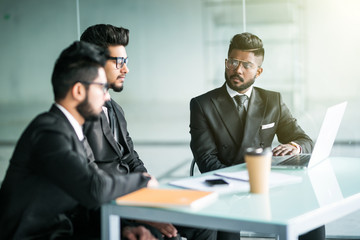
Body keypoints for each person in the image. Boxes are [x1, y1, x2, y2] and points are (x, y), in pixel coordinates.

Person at [0, 41, 158, 240]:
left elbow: (87, 197)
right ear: (78, 91)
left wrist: (123, 229)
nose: (106, 97)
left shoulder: (72, 131)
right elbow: (94, 189)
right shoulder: (48, 132)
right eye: (101, 87)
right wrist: (144, 181)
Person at [80, 24, 216, 240]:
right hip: (114, 210)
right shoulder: (79, 118)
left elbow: (131, 158)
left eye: (126, 62)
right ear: (94, 63)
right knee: (162, 234)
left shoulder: (115, 109)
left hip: (135, 202)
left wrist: (153, 196)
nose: (126, 69)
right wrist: (136, 217)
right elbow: (87, 189)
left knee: (206, 223)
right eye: (119, 62)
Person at [189, 32, 325, 240]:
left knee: (312, 212)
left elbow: (305, 140)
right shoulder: (203, 105)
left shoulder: (272, 101)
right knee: (225, 226)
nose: (238, 69)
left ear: (258, 71)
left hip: (268, 187)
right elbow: (207, 161)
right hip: (228, 189)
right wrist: (246, 185)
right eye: (233, 62)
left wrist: (295, 146)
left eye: (247, 65)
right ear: (226, 63)